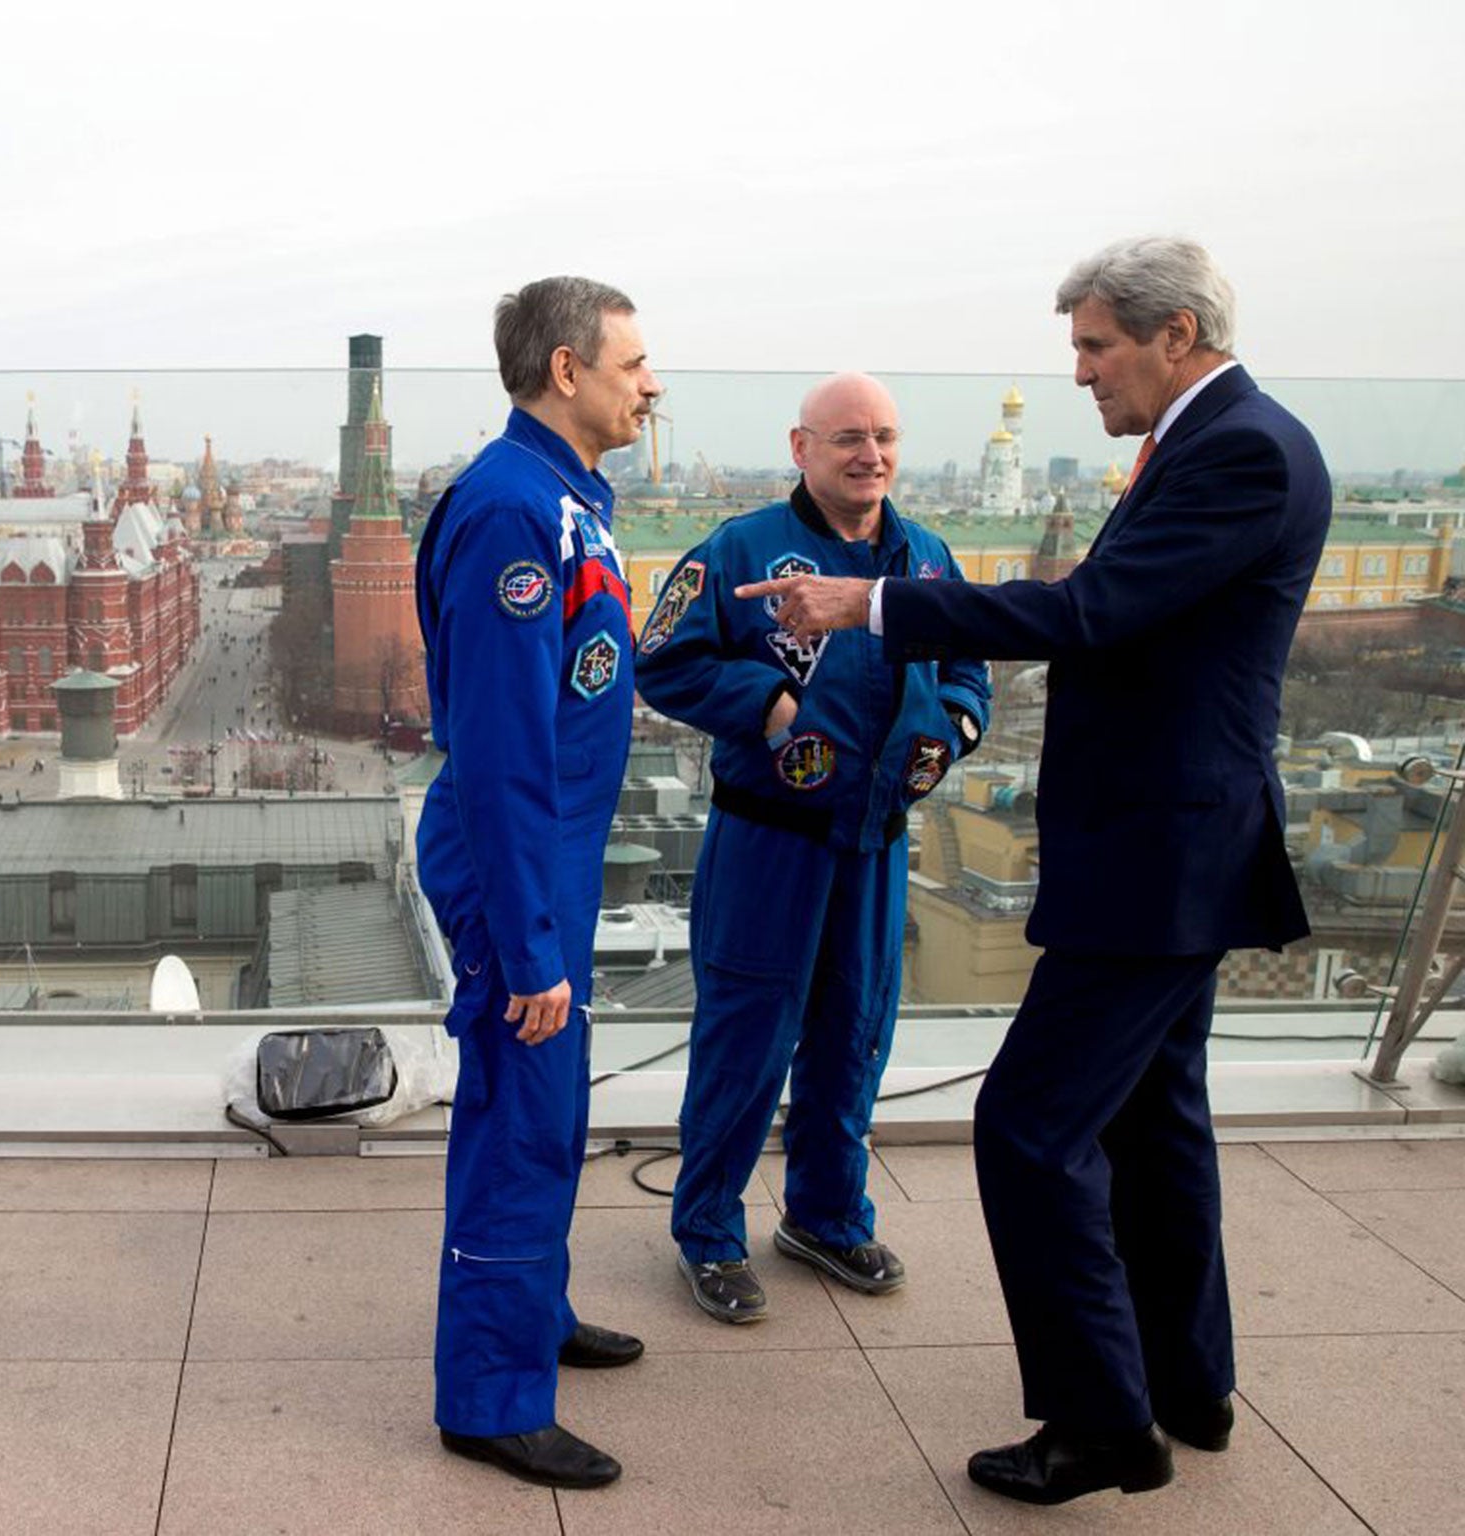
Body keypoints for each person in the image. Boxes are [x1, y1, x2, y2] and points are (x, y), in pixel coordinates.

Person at [748, 237, 1328, 1505]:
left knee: (1025, 1127)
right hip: (1167, 846)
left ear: (1174, 335)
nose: (1077, 373)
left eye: (1093, 345)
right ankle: (1185, 1382)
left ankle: (1100, 1423)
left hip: (1155, 851)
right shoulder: (1227, 439)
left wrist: (872, 607)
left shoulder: (1236, 448)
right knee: (1152, 1120)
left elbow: (1088, 614)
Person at [634, 373, 990, 1324]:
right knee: (747, 1040)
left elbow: (970, 670)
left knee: (853, 1037)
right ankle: (708, 1234)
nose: (869, 455)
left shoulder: (926, 555)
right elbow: (662, 660)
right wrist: (770, 704)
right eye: (846, 439)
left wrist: (950, 728)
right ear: (801, 449)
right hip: (769, 845)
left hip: (876, 844)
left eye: (884, 437)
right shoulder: (741, 551)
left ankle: (826, 1217)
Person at [415, 275, 662, 1490]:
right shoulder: (514, 513)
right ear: (565, 371)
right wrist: (528, 948)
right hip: (512, 859)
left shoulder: (563, 498)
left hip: (547, 856)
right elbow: (503, 750)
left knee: (552, 1110)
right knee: (519, 1122)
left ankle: (534, 1311)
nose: (648, 383)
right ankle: (491, 1397)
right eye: (631, 363)